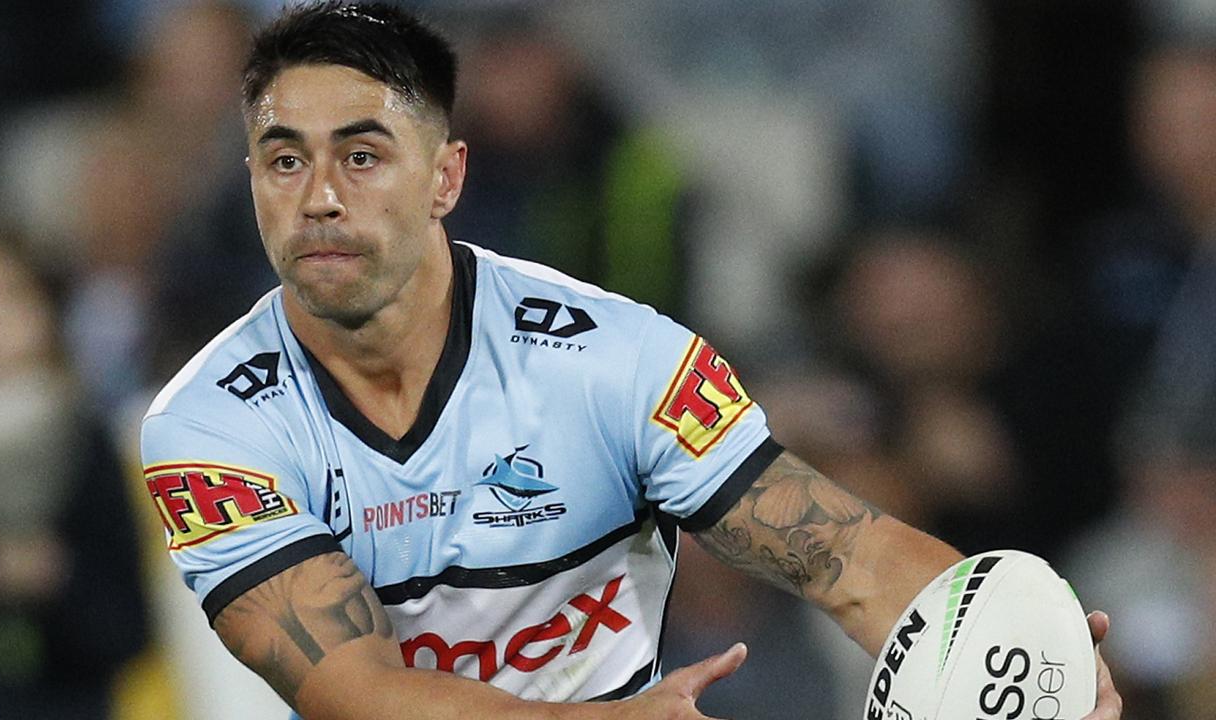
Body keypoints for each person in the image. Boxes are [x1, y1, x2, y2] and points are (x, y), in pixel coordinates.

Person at [138, 3, 1122, 718]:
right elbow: (353, 687)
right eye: (281, 158)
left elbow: (843, 554)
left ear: (445, 177)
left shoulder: (611, 357)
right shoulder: (209, 425)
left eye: (360, 156)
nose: (317, 196)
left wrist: (1016, 654)